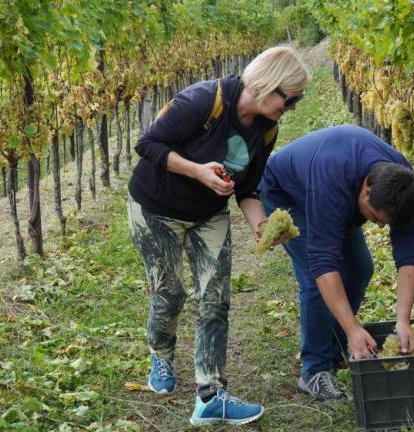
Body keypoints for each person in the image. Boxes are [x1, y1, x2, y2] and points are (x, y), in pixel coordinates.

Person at [127, 46, 310, 425]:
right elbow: (146, 145)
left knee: (215, 299)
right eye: (290, 99)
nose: (291, 108)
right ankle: (161, 355)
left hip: (208, 214)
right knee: (170, 292)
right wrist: (197, 171)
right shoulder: (203, 100)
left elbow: (248, 189)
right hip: (155, 206)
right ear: (268, 85)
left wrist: (259, 225)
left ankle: (210, 394)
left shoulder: (268, 129)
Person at [258, 125, 414, 400]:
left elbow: (410, 257)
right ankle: (314, 369)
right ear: (365, 189)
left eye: (387, 222)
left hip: (337, 191)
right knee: (315, 279)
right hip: (289, 194)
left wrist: (403, 319)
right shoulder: (331, 181)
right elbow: (323, 263)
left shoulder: (403, 185)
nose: (382, 227)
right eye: (376, 217)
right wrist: (353, 328)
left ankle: (335, 347)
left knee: (360, 268)